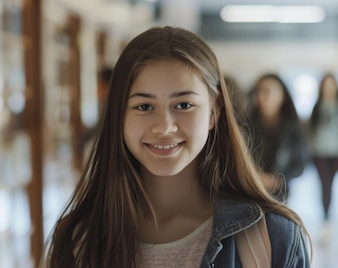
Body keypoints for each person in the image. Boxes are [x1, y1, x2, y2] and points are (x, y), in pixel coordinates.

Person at [45, 26, 310, 267]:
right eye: (144, 106)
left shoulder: (273, 238)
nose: (164, 127)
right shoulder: (79, 240)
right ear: (119, 115)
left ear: (214, 112)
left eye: (183, 105)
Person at [248, 73, 310, 201]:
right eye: (258, 91)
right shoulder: (245, 125)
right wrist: (254, 176)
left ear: (282, 96)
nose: (260, 97)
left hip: (280, 194)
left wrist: (278, 179)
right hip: (250, 192)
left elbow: (300, 164)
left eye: (267, 91)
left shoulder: (292, 129)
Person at [308, 73, 338, 221]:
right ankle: (326, 216)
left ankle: (328, 212)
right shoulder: (317, 107)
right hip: (320, 152)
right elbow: (311, 130)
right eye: (326, 86)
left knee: (331, 184)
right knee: (325, 184)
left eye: (332, 85)